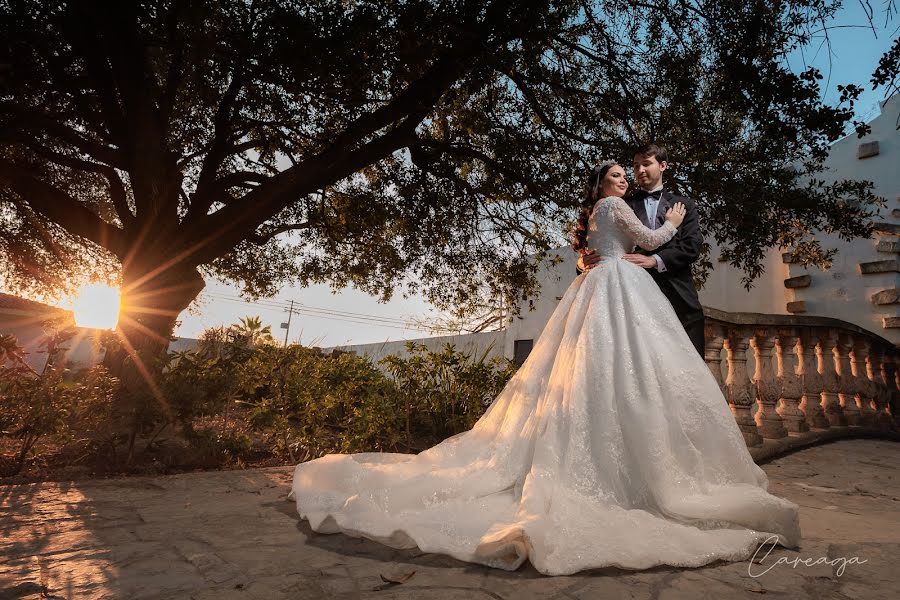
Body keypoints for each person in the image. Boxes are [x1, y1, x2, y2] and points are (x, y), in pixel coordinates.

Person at [289, 161, 801, 576]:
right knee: (621, 369)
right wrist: (667, 224)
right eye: (617, 175)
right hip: (618, 287)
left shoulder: (596, 213)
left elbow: (598, 252)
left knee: (605, 369)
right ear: (603, 185)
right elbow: (646, 240)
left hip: (602, 286)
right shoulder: (613, 205)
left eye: (628, 175)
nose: (624, 180)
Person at [577, 144, 705, 356]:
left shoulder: (684, 205)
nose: (639, 171)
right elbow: (599, 245)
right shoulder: (618, 203)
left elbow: (691, 246)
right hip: (632, 300)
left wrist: (655, 260)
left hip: (679, 296)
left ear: (663, 165)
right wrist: (582, 263)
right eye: (636, 166)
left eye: (646, 164)